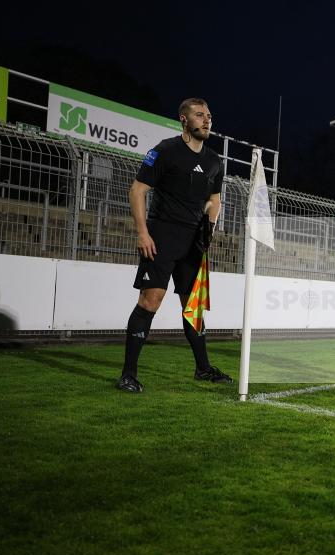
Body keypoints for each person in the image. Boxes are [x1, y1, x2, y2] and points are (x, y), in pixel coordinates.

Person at [117, 98, 232, 392]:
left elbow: (215, 200)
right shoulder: (164, 151)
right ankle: (128, 374)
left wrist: (210, 227)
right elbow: (138, 190)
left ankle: (203, 369)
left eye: (208, 115)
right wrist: (143, 233)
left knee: (193, 308)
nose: (206, 120)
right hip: (161, 236)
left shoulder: (214, 161)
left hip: (193, 243)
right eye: (199, 115)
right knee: (150, 301)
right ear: (183, 119)